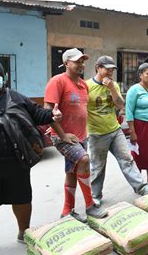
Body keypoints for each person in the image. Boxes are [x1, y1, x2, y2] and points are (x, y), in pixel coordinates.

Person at [0, 58, 63, 255]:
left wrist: (52, 115)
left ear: (4, 78)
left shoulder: (14, 96)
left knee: (22, 198)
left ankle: (24, 232)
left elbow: (37, 114)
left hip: (15, 160)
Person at [86, 56, 148, 207]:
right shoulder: (87, 86)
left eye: (112, 69)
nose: (110, 72)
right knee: (98, 166)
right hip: (96, 133)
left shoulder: (114, 85)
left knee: (127, 159)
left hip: (115, 129)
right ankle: (95, 195)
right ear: (98, 68)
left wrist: (112, 89)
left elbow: (120, 105)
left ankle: (142, 187)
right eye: (107, 69)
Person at [44, 48, 108, 221]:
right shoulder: (57, 81)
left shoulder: (83, 84)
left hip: (81, 136)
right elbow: (47, 112)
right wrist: (63, 135)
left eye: (82, 61)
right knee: (84, 160)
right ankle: (89, 206)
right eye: (77, 61)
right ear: (66, 63)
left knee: (72, 172)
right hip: (62, 136)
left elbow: (82, 110)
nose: (81, 64)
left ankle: (67, 211)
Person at [126, 63, 148, 185]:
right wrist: (132, 131)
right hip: (141, 126)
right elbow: (129, 111)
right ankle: (139, 182)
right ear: (141, 75)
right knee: (139, 154)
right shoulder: (134, 90)